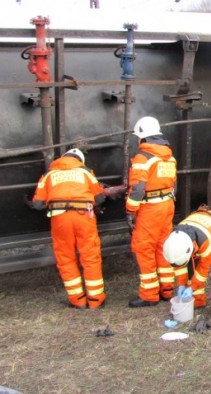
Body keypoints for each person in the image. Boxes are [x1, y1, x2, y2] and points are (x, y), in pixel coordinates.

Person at [29, 148, 108, 309]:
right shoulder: (85, 172)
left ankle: (77, 300)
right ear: (80, 160)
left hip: (60, 218)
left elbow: (37, 204)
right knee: (90, 256)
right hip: (83, 216)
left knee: (65, 257)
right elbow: (99, 198)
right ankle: (96, 300)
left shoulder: (49, 174)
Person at [126, 116, 177, 307]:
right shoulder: (169, 156)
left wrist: (130, 210)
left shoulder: (142, 158)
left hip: (151, 208)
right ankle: (166, 289)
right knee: (162, 246)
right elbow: (174, 183)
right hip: (167, 205)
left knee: (143, 247)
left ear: (142, 137)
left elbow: (138, 189)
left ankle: (149, 295)